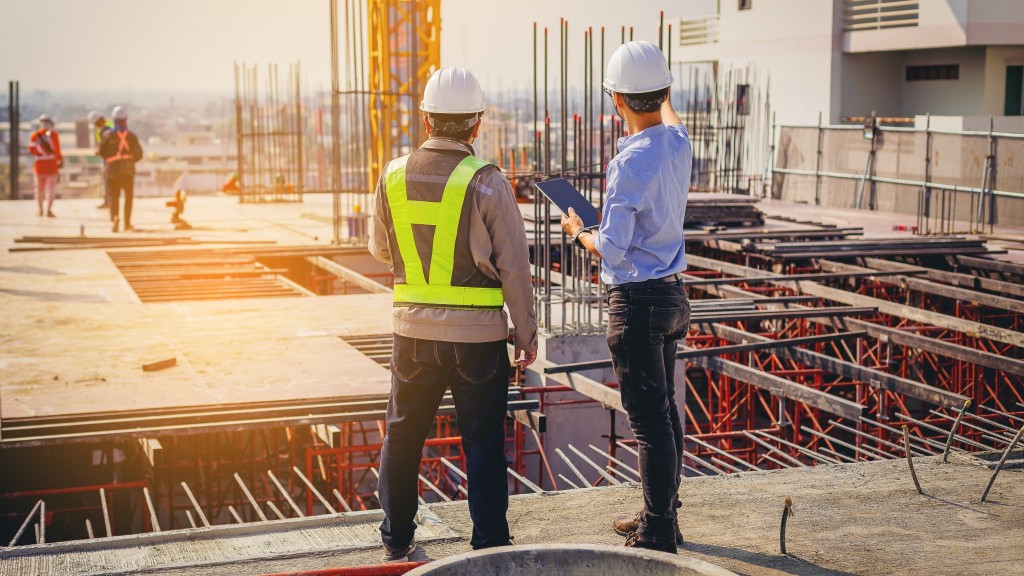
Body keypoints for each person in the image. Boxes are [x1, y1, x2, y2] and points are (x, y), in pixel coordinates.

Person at [369, 66, 537, 562]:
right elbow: (515, 268)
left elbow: (381, 249)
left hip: (412, 334)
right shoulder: (487, 182)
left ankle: (397, 540)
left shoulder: (392, 175)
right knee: (483, 444)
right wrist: (525, 334)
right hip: (478, 340)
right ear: (476, 124)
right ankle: (488, 545)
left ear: (426, 120)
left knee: (402, 436)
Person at [560, 40, 692, 554]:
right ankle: (663, 513)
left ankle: (658, 530)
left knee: (650, 423)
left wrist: (576, 229)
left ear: (615, 100)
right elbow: (671, 119)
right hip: (672, 297)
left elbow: (612, 251)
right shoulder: (678, 144)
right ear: (662, 94)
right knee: (664, 414)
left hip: (636, 302)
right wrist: (660, 91)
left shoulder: (629, 162)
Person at [99, 106, 143, 232]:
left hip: (112, 171)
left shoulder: (107, 136)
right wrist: (129, 160)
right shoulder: (131, 136)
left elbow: (102, 152)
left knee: (113, 197)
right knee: (128, 198)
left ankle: (115, 218)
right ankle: (127, 223)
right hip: (127, 171)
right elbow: (139, 154)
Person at [28, 114, 63, 218]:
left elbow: (31, 150)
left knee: (39, 189)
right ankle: (49, 210)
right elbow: (57, 150)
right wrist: (60, 160)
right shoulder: (53, 135)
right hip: (51, 165)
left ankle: (40, 209)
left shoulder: (35, 135)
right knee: (51, 189)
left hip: (39, 166)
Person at [88, 110, 114, 209]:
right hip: (112, 159)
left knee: (108, 181)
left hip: (108, 160)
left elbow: (105, 146)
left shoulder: (104, 130)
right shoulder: (110, 125)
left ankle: (108, 201)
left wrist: (99, 152)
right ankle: (109, 201)